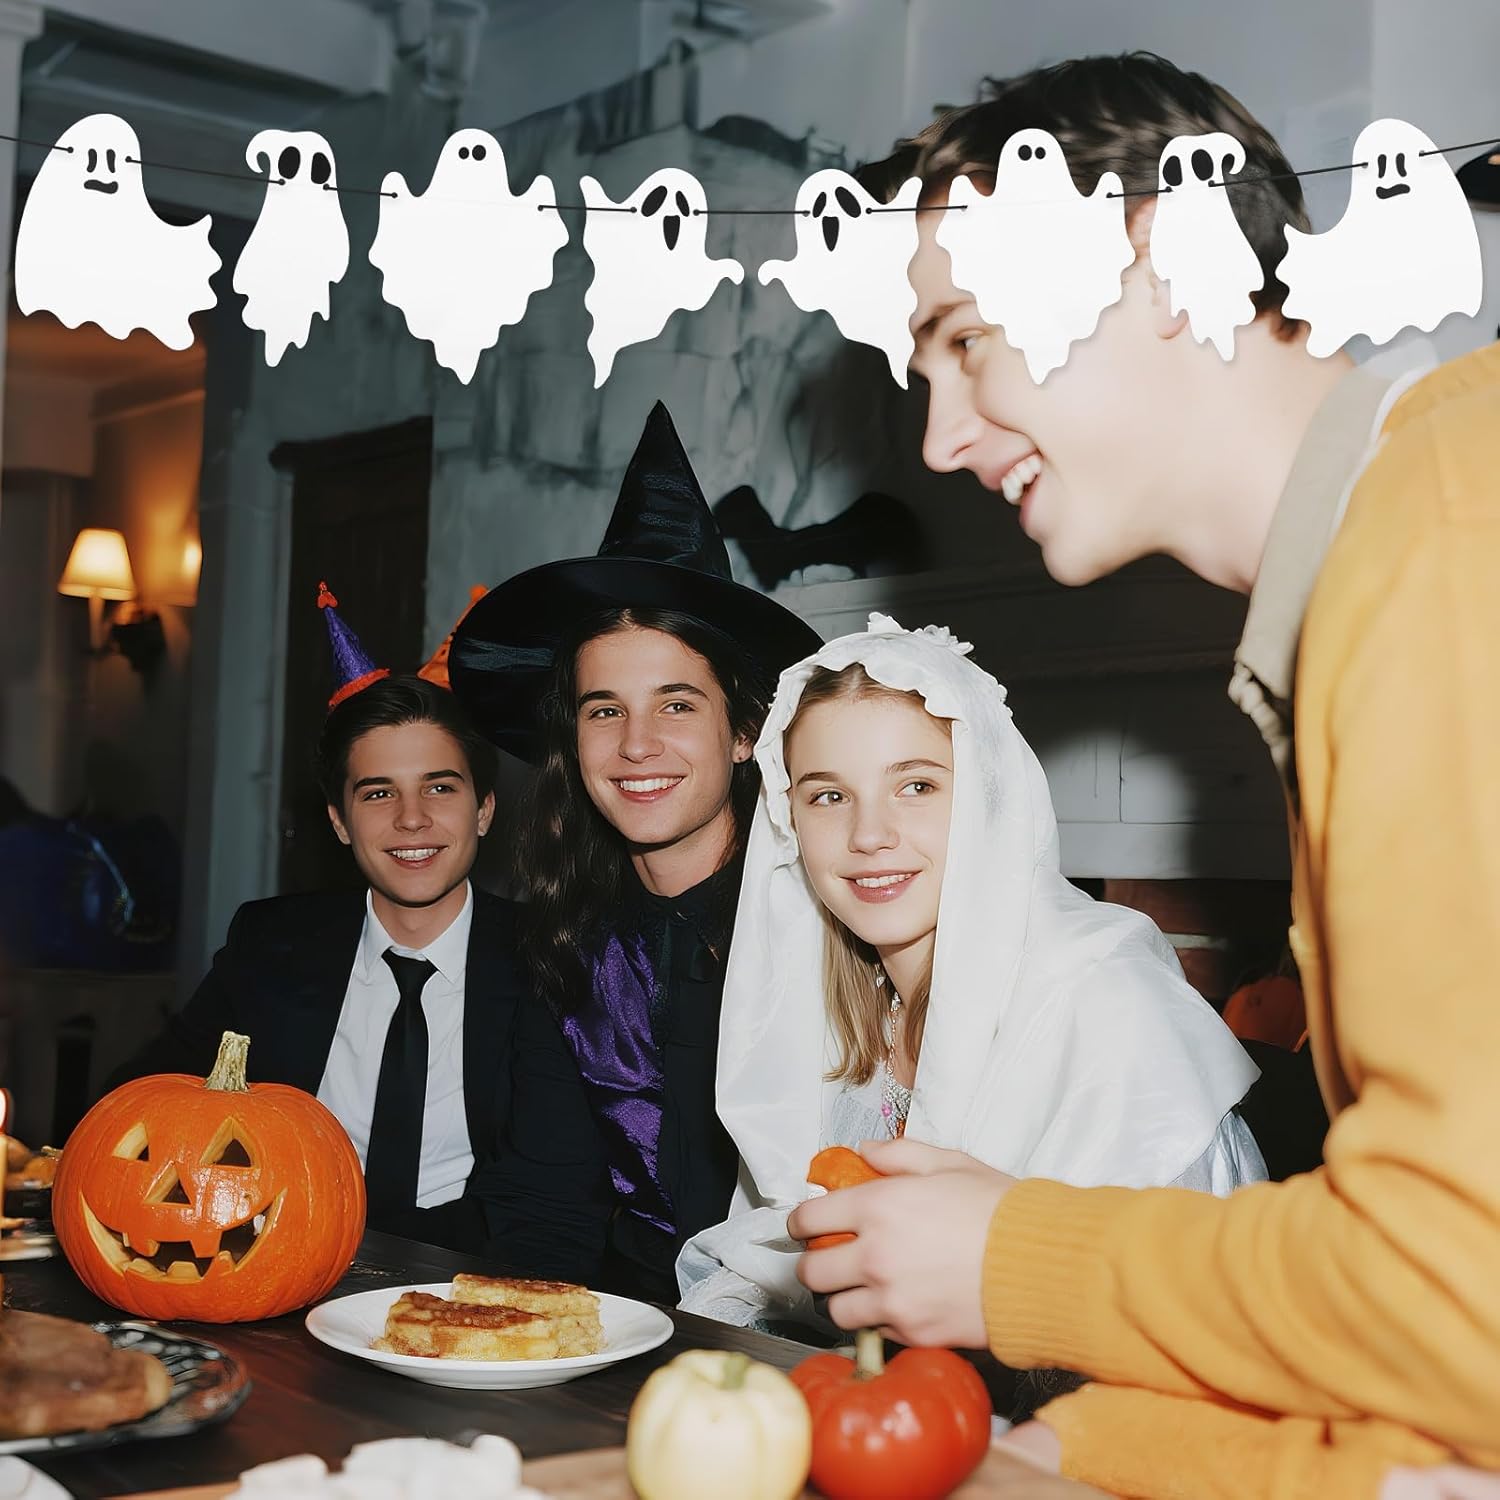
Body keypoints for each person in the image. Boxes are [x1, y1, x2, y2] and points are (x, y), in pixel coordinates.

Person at [787, 51, 1500, 1498]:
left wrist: (1014, 1257)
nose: (941, 439)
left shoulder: (1440, 547)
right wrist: (1081, 1446)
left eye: (967, 339)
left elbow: (1456, 1293)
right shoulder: (1401, 536)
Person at [677, 614, 1263, 1334]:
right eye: (829, 795)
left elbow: (1180, 1308)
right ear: (788, 822)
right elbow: (777, 1249)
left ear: (990, 798)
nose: (869, 835)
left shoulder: (1108, 1005)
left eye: (916, 786)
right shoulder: (842, 1014)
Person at [452, 402, 823, 1303]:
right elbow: (545, 1205)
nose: (636, 744)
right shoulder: (567, 939)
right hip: (629, 1322)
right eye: (605, 709)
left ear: (745, 733)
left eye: (677, 705)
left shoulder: (826, 926)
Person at [111, 593, 526, 1253]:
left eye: (440, 787)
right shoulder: (271, 947)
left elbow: (551, 1202)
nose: (411, 818)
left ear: (484, 810)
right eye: (379, 792)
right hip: (279, 1264)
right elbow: (145, 1099)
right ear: (338, 821)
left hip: (469, 1280)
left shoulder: (550, 963)